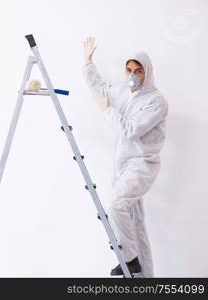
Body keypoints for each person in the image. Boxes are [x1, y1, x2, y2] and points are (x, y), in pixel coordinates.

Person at [82, 36, 168, 277]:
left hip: (142, 165)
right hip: (121, 165)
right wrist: (88, 64)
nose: (133, 75)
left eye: (138, 70)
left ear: (147, 72)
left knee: (116, 205)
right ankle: (145, 279)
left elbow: (131, 130)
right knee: (136, 226)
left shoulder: (156, 101)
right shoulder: (124, 92)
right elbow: (100, 89)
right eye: (129, 70)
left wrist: (107, 110)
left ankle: (130, 260)